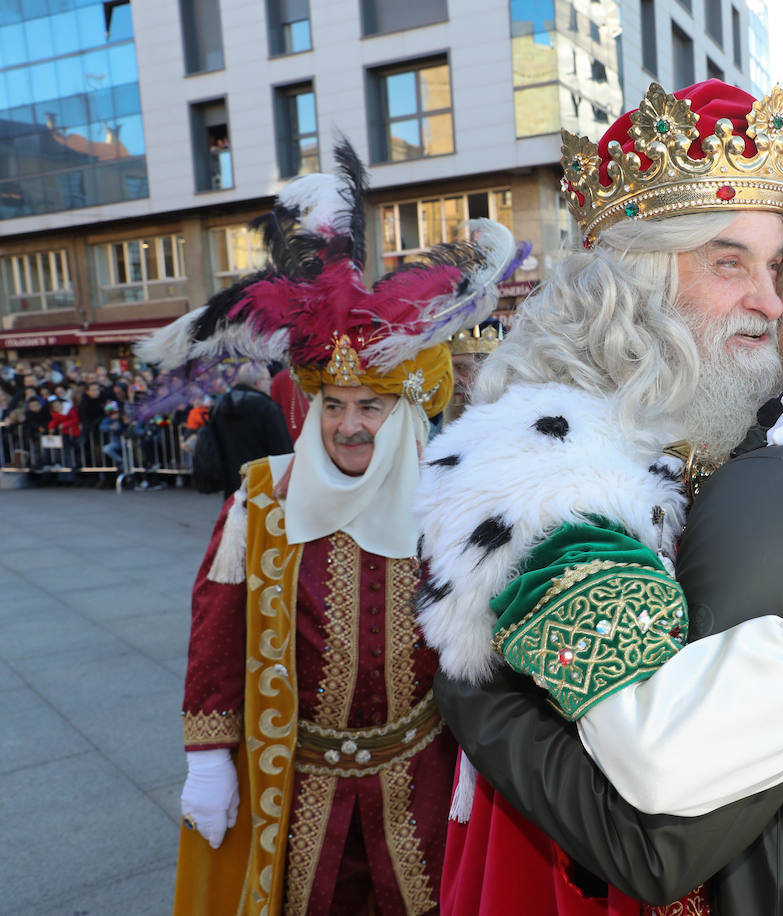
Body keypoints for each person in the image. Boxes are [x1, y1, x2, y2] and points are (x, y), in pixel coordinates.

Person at [418, 81, 783, 915]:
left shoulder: (707, 412)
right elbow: (665, 815)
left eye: (774, 266)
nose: (771, 302)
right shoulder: (543, 472)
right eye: (729, 263)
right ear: (637, 277)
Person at [138, 141, 521, 916]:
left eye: (370, 407)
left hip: (423, 779)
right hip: (295, 786)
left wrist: (491, 750)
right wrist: (209, 754)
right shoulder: (261, 500)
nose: (350, 427)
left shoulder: (453, 506)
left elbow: (490, 635)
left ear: (406, 410)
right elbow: (216, 630)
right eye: (334, 406)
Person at [203, 362, 293, 498]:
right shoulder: (267, 408)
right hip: (264, 481)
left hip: (232, 480)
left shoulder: (219, 407)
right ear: (258, 383)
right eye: (268, 379)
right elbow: (282, 449)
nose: (270, 383)